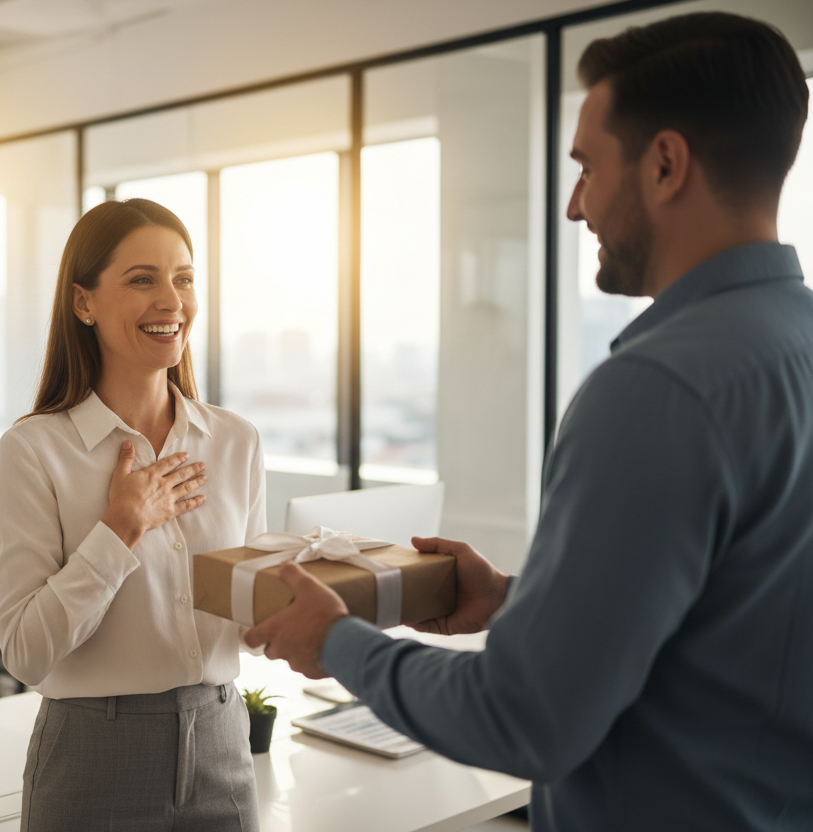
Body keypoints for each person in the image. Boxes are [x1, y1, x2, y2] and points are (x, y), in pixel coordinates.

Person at [246, 12, 812, 832]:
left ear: (664, 164)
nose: (577, 205)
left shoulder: (655, 389)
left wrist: (337, 644)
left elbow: (525, 718)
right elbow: (739, 632)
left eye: (586, 166)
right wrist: (518, 604)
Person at [0, 199, 264, 831]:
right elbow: (26, 653)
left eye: (184, 278)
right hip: (94, 758)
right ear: (83, 302)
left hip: (224, 746)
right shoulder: (34, 450)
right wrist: (120, 529)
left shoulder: (237, 440)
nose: (171, 300)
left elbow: (246, 619)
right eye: (142, 279)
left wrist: (308, 597)